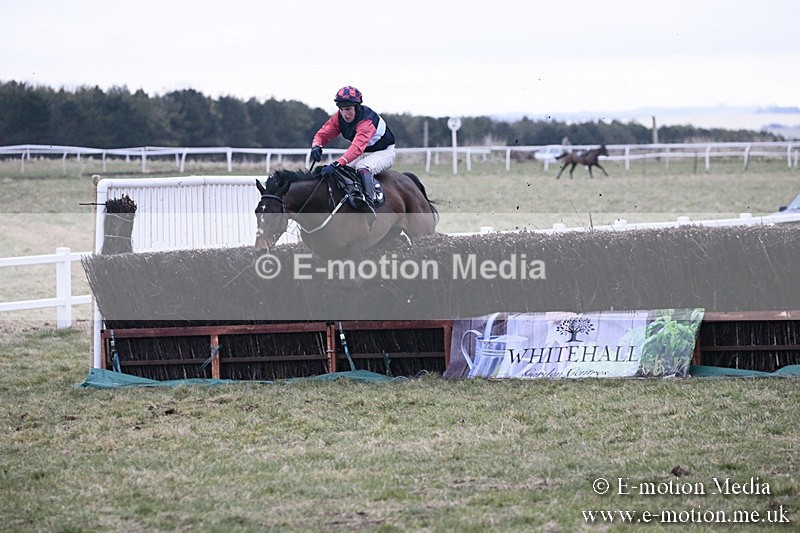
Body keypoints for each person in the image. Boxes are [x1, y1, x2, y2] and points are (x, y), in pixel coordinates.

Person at [309, 86, 395, 211]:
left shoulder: (367, 121)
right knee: (340, 172)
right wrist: (316, 145)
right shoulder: (338, 118)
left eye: (348, 109)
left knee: (362, 167)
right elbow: (322, 134)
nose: (345, 113)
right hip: (363, 152)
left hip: (383, 152)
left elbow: (356, 148)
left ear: (357, 107)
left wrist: (337, 163)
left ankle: (369, 205)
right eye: (341, 109)